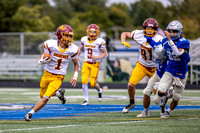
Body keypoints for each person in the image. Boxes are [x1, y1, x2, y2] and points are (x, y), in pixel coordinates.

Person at [24, 24, 79, 121]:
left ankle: (30, 113)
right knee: (42, 95)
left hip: (58, 77)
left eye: (70, 36)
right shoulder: (50, 44)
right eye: (66, 35)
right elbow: (45, 56)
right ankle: (58, 94)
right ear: (59, 35)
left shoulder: (73, 49)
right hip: (47, 73)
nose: (69, 38)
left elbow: (76, 64)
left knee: (45, 98)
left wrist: (75, 76)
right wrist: (41, 61)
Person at [146, 20, 190, 118]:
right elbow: (160, 49)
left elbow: (178, 53)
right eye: (170, 31)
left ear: (179, 32)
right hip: (170, 69)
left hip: (182, 71)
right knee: (160, 92)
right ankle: (167, 92)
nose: (172, 33)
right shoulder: (165, 41)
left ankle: (168, 111)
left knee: (177, 96)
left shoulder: (184, 42)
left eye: (174, 31)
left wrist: (170, 40)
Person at [120, 18, 163, 113]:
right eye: (147, 28)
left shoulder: (160, 39)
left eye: (151, 29)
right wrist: (123, 41)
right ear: (144, 28)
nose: (149, 30)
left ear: (155, 30)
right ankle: (131, 102)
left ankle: (163, 109)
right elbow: (124, 33)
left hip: (155, 68)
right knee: (130, 85)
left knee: (159, 94)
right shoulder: (138, 34)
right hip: (142, 65)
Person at [78, 24, 108, 105]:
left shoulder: (100, 41)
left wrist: (97, 57)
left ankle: (99, 90)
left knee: (93, 84)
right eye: (90, 31)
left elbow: (105, 54)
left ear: (97, 33)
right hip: (86, 63)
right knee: (84, 81)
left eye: (94, 32)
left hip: (95, 64)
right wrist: (77, 56)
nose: (92, 33)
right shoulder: (84, 39)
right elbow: (80, 48)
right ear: (87, 32)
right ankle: (86, 99)